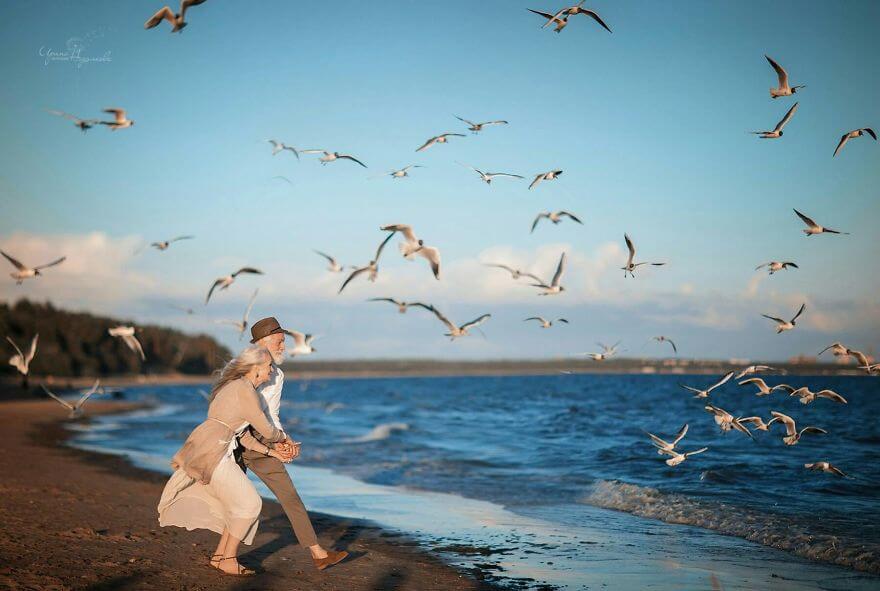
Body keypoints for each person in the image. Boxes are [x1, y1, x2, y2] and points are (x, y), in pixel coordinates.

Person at [157, 345, 293, 576]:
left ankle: (221, 557)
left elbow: (244, 436)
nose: (271, 372)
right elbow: (266, 430)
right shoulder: (244, 390)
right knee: (250, 504)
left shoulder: (238, 387)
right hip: (214, 451)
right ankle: (228, 559)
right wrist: (285, 438)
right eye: (269, 367)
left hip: (215, 447)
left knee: (239, 504)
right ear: (257, 368)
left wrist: (274, 453)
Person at [239, 317, 348, 571]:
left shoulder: (278, 374)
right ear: (262, 343)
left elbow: (271, 413)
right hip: (236, 438)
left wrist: (284, 439)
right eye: (279, 342)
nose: (283, 347)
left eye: (284, 342)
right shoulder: (242, 369)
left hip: (263, 437)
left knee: (289, 495)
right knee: (235, 500)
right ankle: (224, 555)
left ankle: (318, 553)